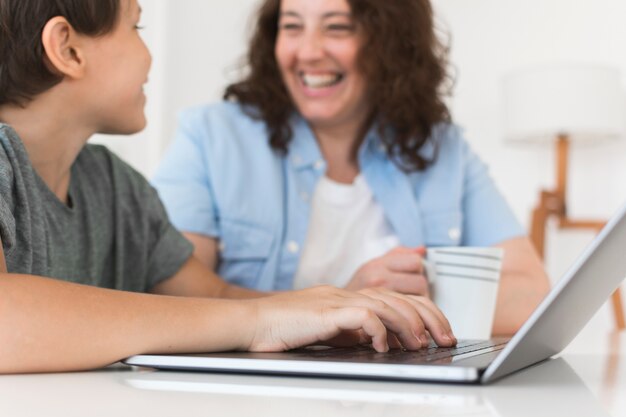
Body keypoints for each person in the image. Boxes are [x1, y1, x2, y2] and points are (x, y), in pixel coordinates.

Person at [0, 0, 457, 374]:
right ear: (68, 49)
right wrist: (258, 320)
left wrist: (328, 311)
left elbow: (214, 299)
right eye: (135, 26)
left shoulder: (118, 188)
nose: (149, 55)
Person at [153, 0, 551, 337]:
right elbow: (171, 298)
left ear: (389, 41)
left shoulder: (444, 149)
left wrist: (409, 304)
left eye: (337, 27)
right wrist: (341, 305)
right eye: (292, 27)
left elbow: (532, 294)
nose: (307, 52)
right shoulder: (211, 137)